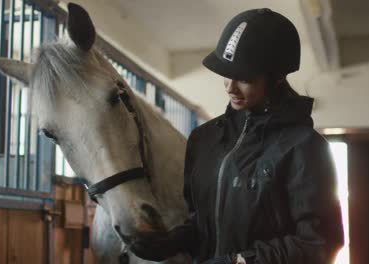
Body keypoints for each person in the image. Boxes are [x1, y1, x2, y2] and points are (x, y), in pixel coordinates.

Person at [130, 8, 344, 264]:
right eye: (226, 74)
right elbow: (202, 222)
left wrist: (239, 261)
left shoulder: (304, 147)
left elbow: (318, 244)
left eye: (244, 78)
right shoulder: (203, 139)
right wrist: (170, 242)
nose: (230, 87)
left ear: (276, 77)